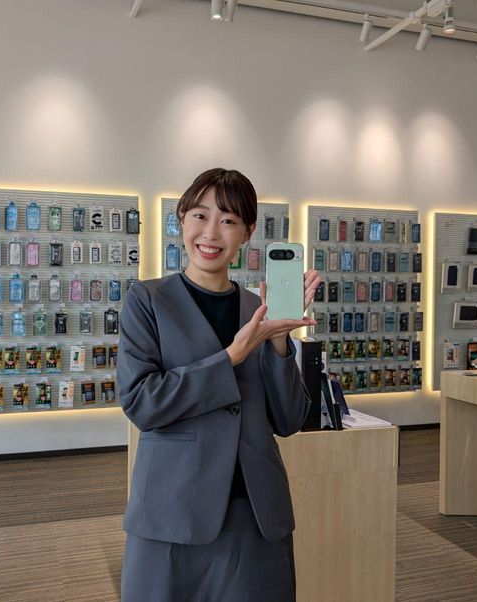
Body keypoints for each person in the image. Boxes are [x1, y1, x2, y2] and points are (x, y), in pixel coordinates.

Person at [118, 168, 320, 601]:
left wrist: (280, 342)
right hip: (172, 512)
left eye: (228, 220)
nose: (211, 233)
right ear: (181, 220)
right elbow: (143, 403)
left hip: (254, 514)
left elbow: (288, 421)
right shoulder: (147, 301)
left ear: (247, 232)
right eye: (200, 215)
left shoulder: (259, 308)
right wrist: (231, 357)